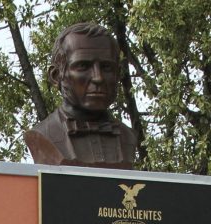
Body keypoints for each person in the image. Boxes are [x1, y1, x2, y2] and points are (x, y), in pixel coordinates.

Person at [24, 22, 137, 167]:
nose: (98, 78)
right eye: (83, 66)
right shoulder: (44, 134)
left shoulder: (128, 137)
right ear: (56, 76)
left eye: (107, 67)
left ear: (118, 74)